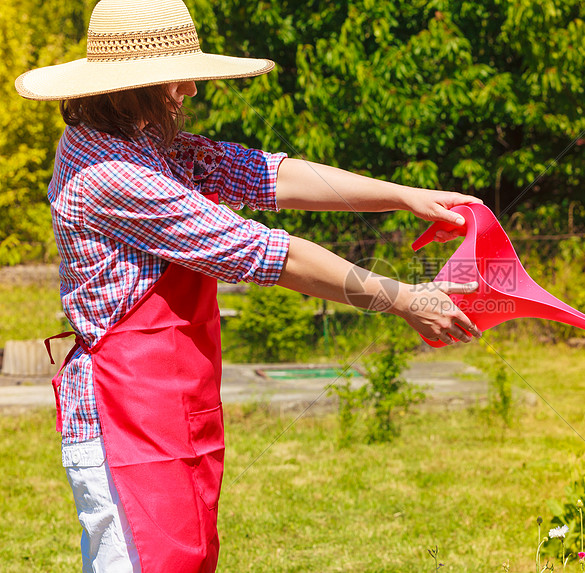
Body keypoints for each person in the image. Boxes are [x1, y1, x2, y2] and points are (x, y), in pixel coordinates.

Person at [15, 0, 481, 571]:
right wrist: (404, 298)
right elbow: (266, 253)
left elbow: (266, 174)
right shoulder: (113, 175)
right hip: (126, 427)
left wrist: (403, 194)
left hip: (168, 414)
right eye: (174, 78)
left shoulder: (147, 145)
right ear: (125, 88)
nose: (189, 89)